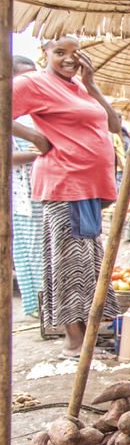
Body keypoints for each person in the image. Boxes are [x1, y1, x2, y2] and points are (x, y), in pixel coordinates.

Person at [12, 37, 121, 356]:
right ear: (44, 54)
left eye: (75, 54)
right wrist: (33, 135)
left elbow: (114, 125)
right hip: (64, 184)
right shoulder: (33, 82)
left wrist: (93, 85)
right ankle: (73, 340)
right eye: (60, 53)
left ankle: (85, 332)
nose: (69, 60)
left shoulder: (81, 87)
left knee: (88, 262)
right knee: (68, 262)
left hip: (89, 188)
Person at [11, 55, 44, 317]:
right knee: (32, 251)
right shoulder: (9, 113)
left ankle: (51, 307)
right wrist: (37, 153)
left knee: (47, 250)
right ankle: (39, 307)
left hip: (46, 189)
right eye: (25, 77)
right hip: (23, 196)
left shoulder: (37, 111)